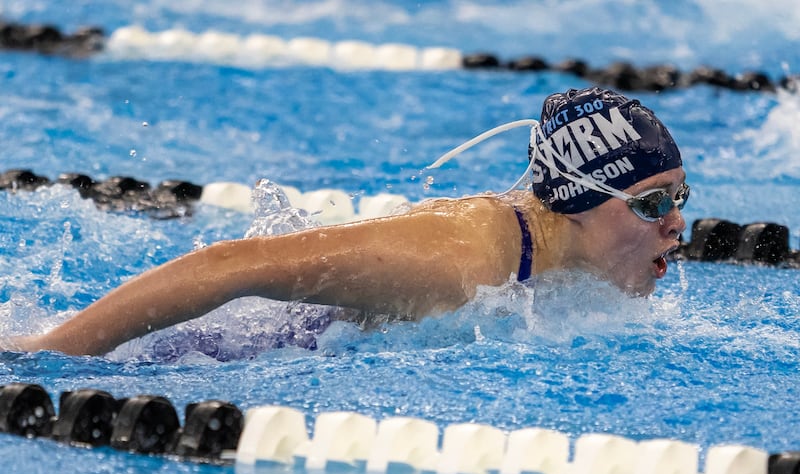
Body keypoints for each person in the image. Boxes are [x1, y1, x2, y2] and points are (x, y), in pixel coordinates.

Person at [7, 86, 688, 357]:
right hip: (217, 356)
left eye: (680, 196)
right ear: (575, 199)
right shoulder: (458, 263)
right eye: (654, 202)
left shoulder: (549, 248)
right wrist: (50, 349)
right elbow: (227, 268)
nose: (676, 224)